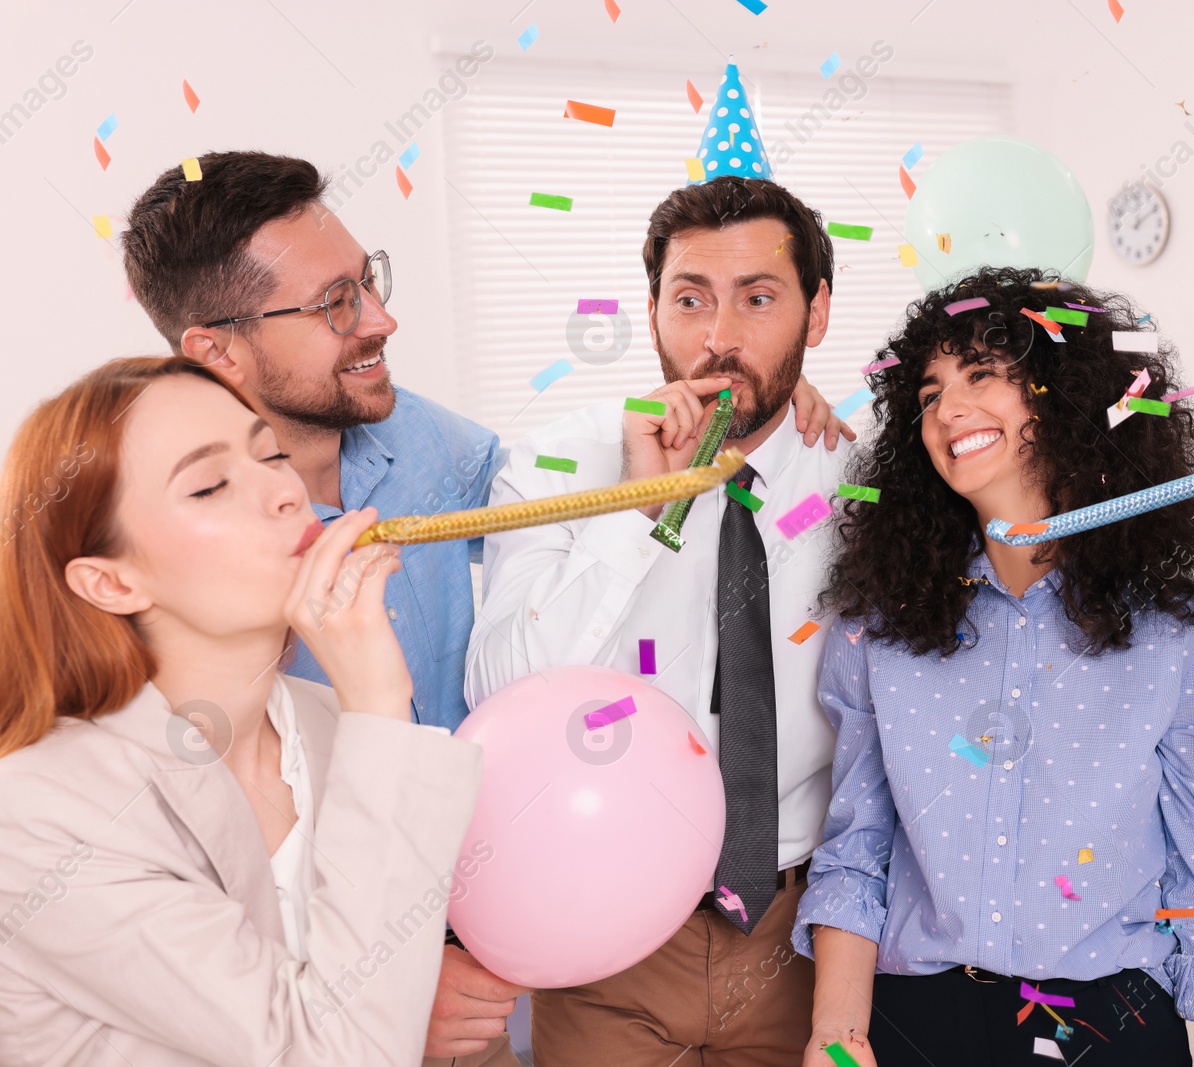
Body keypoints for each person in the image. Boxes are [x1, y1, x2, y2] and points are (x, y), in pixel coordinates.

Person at [116, 150, 850, 1063]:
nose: (382, 319)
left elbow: (524, 645)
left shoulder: (442, 452)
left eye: (367, 282)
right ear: (214, 351)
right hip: (316, 976)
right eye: (334, 302)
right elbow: (188, 894)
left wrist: (767, 401)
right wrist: (384, 980)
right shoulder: (141, 558)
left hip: (504, 937)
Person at [793, 266, 1194, 1067]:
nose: (948, 409)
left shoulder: (1187, 636)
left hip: (1112, 1026)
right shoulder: (874, 630)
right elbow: (856, 849)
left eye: (982, 375)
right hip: (915, 1022)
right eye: (929, 392)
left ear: (1068, 397)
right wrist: (835, 1039)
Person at [464, 171, 850, 1064]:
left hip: (806, 935)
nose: (719, 339)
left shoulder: (866, 485)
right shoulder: (560, 463)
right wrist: (638, 508)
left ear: (816, 314)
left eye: (759, 299)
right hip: (604, 926)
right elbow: (502, 698)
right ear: (651, 314)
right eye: (690, 299)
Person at [0, 356, 482, 1065]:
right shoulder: (39, 813)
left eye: (272, 454)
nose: (287, 493)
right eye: (210, 485)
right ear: (109, 580)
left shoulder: (331, 725)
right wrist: (379, 703)